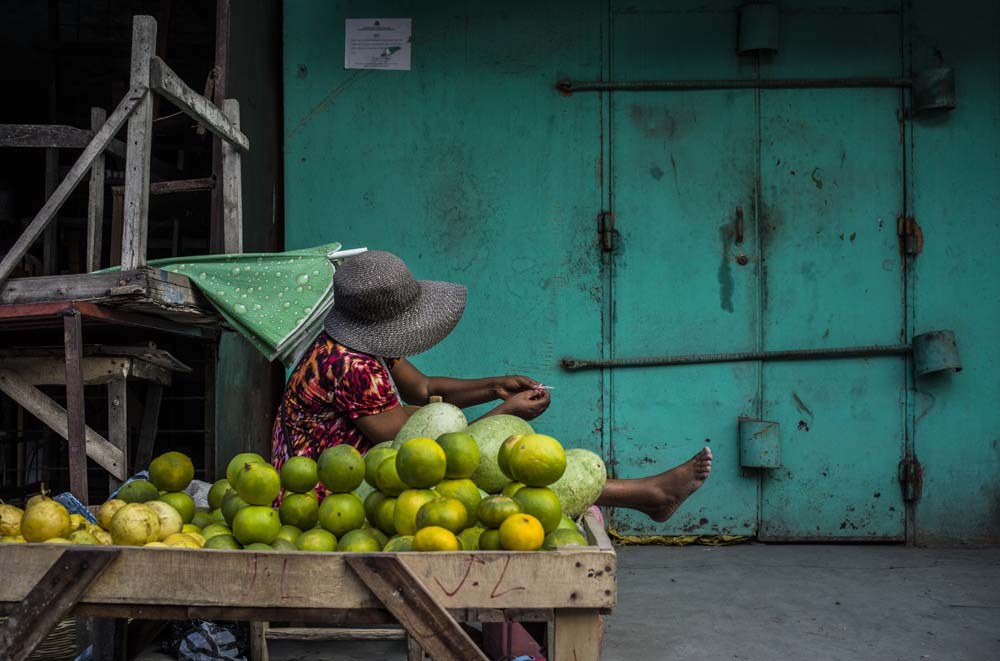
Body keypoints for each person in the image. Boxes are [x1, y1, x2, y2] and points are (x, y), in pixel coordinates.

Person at [271, 250, 712, 519]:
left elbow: (421, 392)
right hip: (327, 494)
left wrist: (494, 387)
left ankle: (647, 495)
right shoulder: (350, 363)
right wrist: (504, 416)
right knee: (499, 474)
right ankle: (649, 495)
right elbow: (420, 455)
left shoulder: (361, 337)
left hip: (368, 469)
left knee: (502, 460)